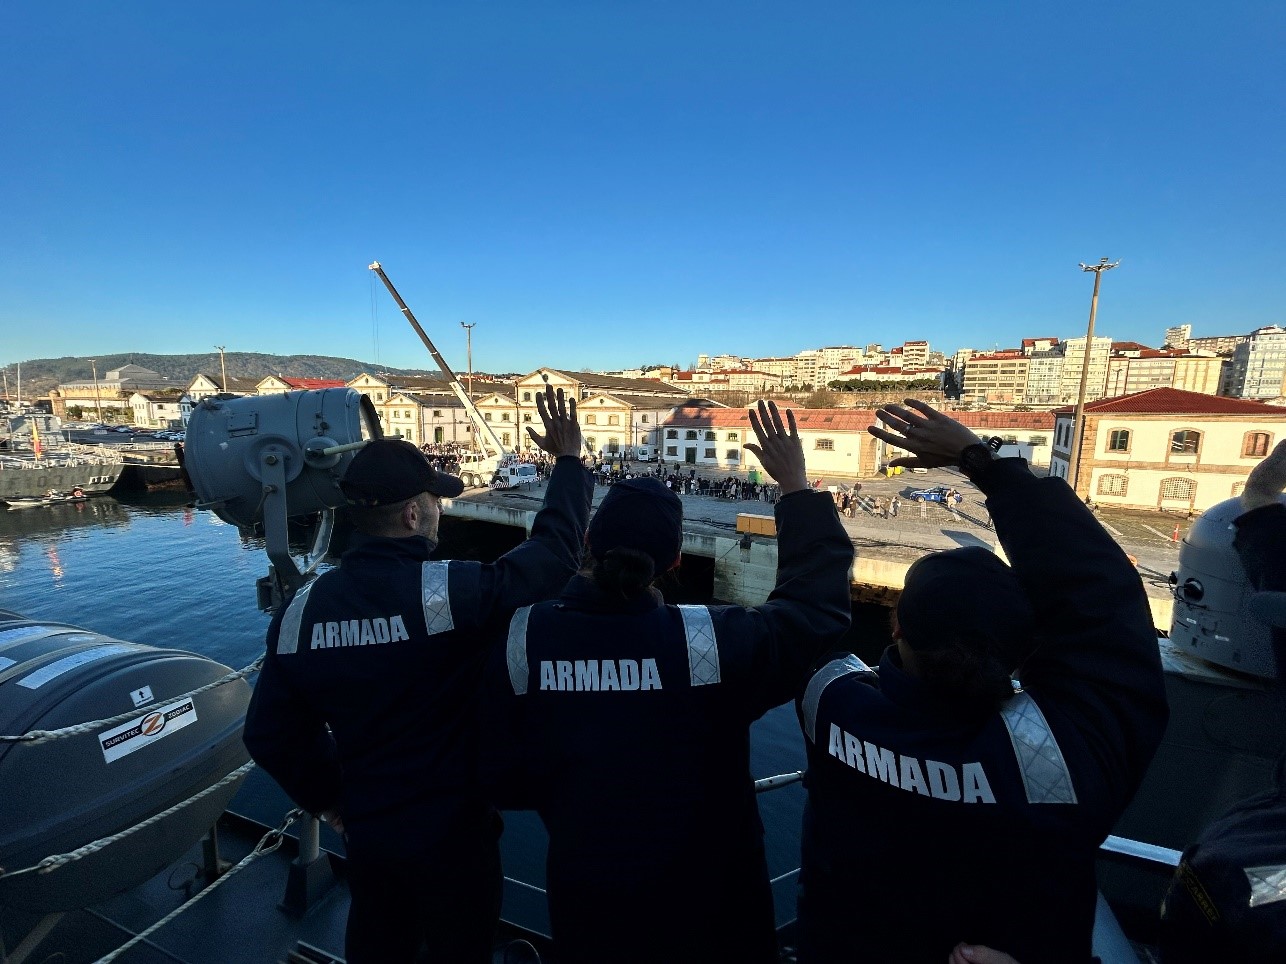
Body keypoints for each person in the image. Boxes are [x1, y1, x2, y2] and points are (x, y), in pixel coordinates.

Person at [793, 398, 1168, 963]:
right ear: (1022, 652)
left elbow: (805, 615)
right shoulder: (1063, 756)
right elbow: (1104, 604)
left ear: (895, 626)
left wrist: (796, 489)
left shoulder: (832, 703)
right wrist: (983, 462)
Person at [480, 400, 853, 964]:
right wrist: (797, 490)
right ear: (676, 559)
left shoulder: (524, 639)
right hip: (713, 905)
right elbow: (815, 614)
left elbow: (500, 772)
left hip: (590, 900)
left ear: (588, 547)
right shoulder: (713, 641)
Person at [242, 385, 591, 964]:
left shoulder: (301, 608)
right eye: (436, 500)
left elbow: (269, 734)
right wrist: (570, 464)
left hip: (370, 833)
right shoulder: (449, 590)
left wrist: (332, 799)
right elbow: (552, 559)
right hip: (455, 837)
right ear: (412, 513)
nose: (442, 510)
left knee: (378, 942)